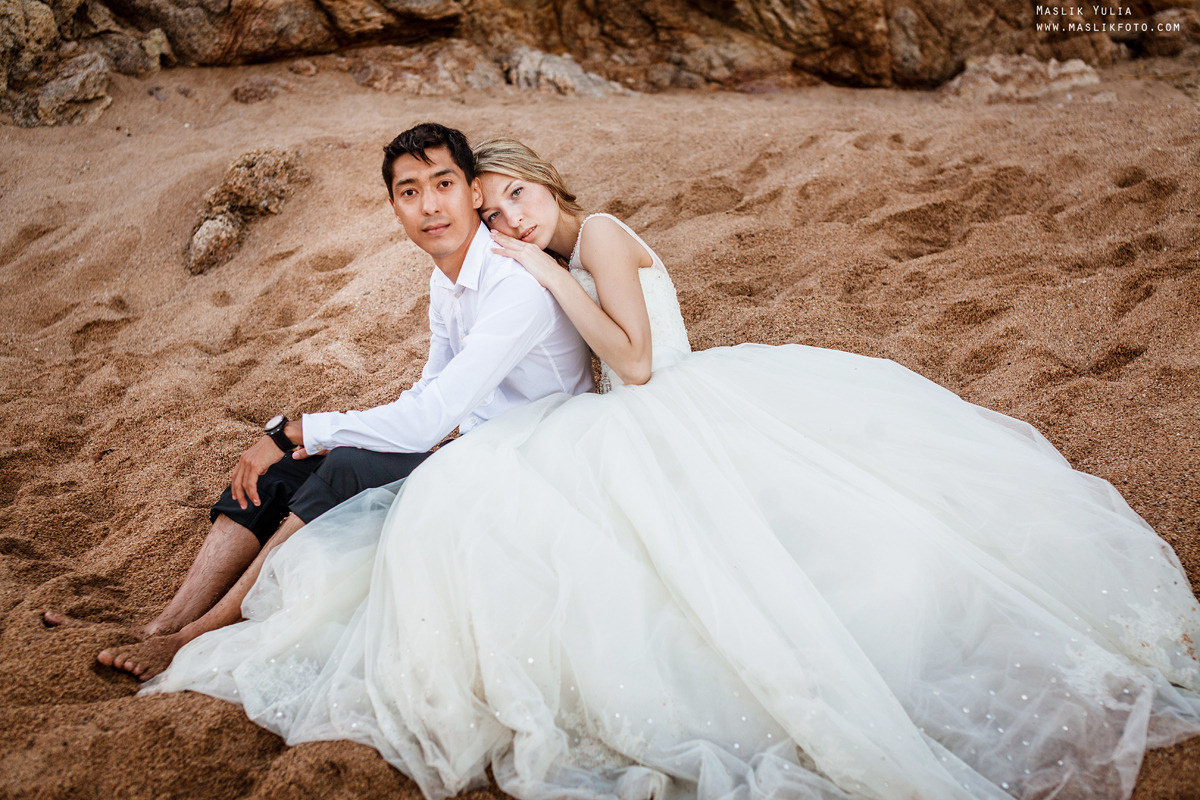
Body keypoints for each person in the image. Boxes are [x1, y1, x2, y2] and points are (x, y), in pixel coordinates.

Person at [143, 136, 1200, 800]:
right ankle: (193, 614)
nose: (508, 219)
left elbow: (639, 362)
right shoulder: (526, 262)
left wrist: (541, 276)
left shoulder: (591, 232)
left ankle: (204, 619)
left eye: (512, 196)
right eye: (496, 206)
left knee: (781, 564)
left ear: (542, 186)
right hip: (618, 418)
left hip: (672, 404)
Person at [44, 123, 592, 681]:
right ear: (394, 207)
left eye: (443, 183)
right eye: (409, 192)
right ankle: (162, 625)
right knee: (287, 466)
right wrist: (302, 440)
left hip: (530, 465)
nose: (430, 206)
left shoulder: (514, 285)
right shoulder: (446, 278)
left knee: (343, 463)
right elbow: (429, 390)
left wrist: (299, 428)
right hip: (477, 448)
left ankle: (193, 639)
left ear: (474, 192)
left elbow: (432, 417)